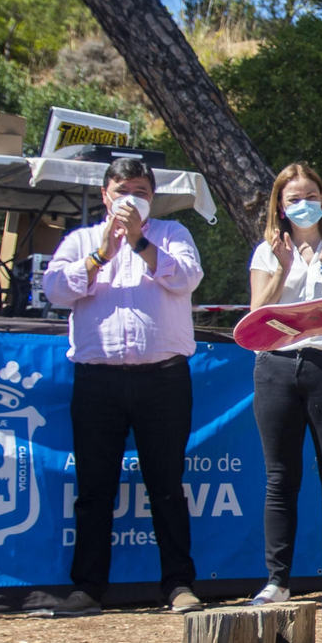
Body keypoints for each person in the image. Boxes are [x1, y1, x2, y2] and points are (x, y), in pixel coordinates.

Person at [42, 155, 205, 616]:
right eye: (123, 192)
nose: (131, 201)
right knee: (95, 487)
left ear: (152, 198)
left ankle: (178, 584)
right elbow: (55, 291)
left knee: (167, 485)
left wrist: (139, 243)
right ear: (104, 196)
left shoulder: (173, 235)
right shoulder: (80, 240)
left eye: (141, 193)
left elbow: (188, 278)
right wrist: (101, 256)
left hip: (164, 379)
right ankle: (88, 588)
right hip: (98, 381)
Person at [247, 164, 322, 614]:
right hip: (277, 365)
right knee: (280, 478)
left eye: (312, 195)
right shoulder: (268, 250)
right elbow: (255, 315)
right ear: (280, 205)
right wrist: (283, 268)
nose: (304, 204)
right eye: (294, 197)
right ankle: (277, 581)